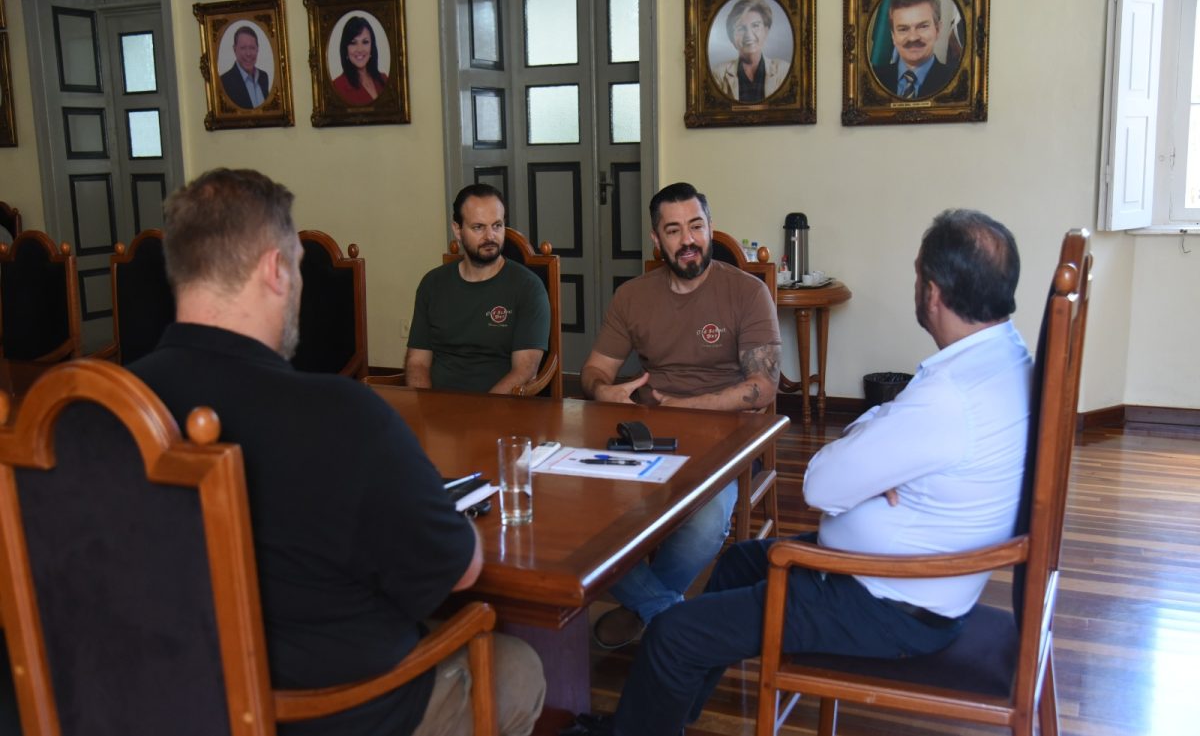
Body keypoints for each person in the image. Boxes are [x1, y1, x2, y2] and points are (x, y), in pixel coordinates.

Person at [130, 169, 544, 736]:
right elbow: (461, 568)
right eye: (298, 263)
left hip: (165, 699)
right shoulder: (345, 415)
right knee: (518, 668)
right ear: (277, 269)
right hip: (335, 711)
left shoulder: (98, 411)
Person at [595, 209, 1032, 736]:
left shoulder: (948, 400)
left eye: (917, 275)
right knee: (735, 565)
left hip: (884, 600)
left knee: (671, 632)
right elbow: (875, 445)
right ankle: (669, 713)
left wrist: (869, 441)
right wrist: (876, 436)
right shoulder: (1006, 358)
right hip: (902, 574)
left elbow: (819, 484)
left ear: (932, 293)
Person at [579, 181, 781, 650]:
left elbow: (761, 388)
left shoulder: (747, 293)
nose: (688, 240)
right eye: (674, 231)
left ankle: (646, 609)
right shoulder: (632, 296)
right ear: (656, 240)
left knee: (706, 523)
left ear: (710, 228)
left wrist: (678, 406)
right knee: (577, 511)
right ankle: (668, 613)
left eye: (696, 226)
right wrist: (605, 391)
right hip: (649, 432)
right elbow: (593, 371)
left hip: (730, 437)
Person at [405, 184, 550, 394]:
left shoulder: (528, 287)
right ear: (457, 229)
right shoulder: (432, 284)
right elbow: (417, 362)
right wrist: (426, 408)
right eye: (478, 227)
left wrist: (482, 413)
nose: (490, 236)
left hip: (498, 410)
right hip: (437, 409)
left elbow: (525, 371)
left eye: (497, 225)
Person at [873, 0, 958, 100]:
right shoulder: (872, 79)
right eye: (903, 29)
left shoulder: (956, 81)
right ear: (893, 36)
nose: (913, 38)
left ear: (937, 30)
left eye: (922, 26)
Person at [711, 0, 791, 103]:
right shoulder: (718, 74)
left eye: (755, 26)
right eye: (741, 28)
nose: (749, 35)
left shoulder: (784, 70)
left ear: (766, 31)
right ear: (731, 36)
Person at [331, 16, 389, 106]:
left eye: (365, 42)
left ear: (372, 46)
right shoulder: (337, 87)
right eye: (353, 43)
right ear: (345, 48)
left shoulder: (384, 79)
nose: (360, 49)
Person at [220, 26, 270, 110]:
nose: (248, 53)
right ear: (234, 49)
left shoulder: (263, 77)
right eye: (243, 48)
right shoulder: (224, 82)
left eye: (252, 48)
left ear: (257, 49)